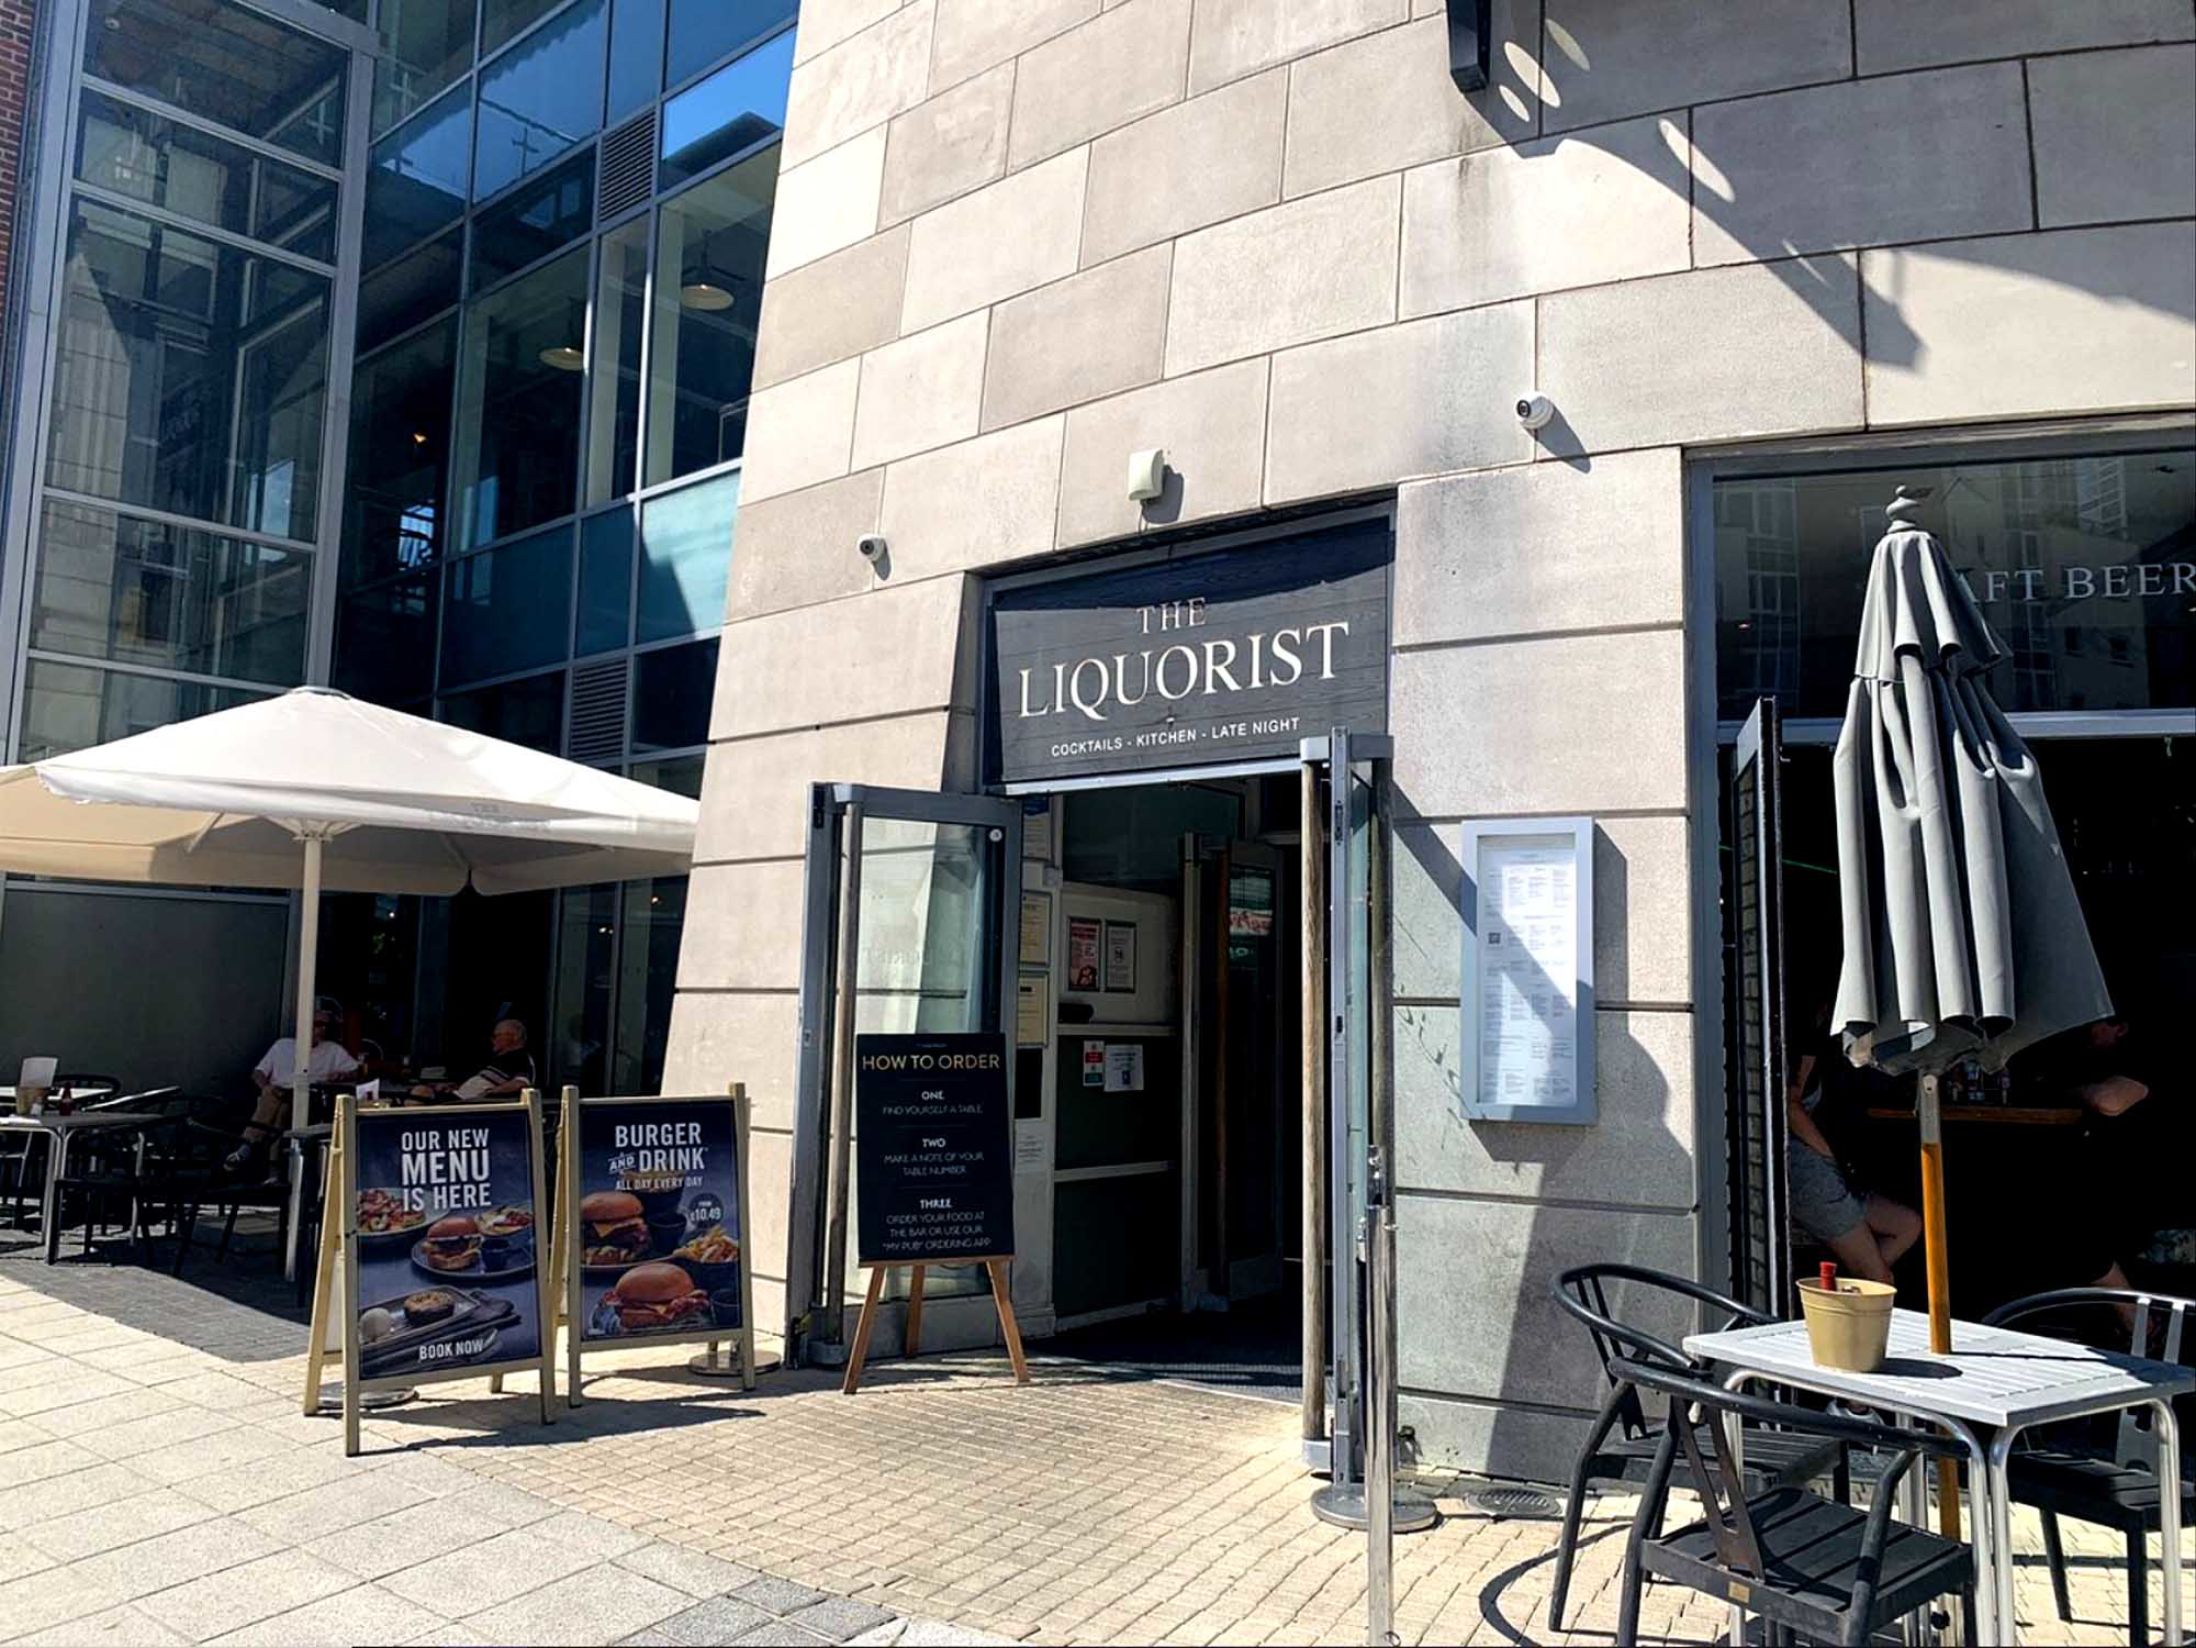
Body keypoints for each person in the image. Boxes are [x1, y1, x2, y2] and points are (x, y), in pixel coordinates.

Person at [1787, 1030, 1922, 1285]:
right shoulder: (1808, 1041)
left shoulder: (1829, 1049)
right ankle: (1861, 1281)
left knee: (1908, 1225)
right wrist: (1828, 1155)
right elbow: (1791, 1107)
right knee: (1881, 1278)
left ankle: (1852, 1286)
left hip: (1839, 1173)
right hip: (1813, 1174)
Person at [230, 1000, 361, 1171]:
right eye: (318, 1024)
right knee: (277, 1106)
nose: (322, 1029)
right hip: (277, 1092)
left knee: (279, 1105)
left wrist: (343, 1075)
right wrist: (265, 1086)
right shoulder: (282, 1045)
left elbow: (356, 1071)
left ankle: (247, 1146)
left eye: (326, 1026)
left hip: (307, 1096)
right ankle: (273, 1168)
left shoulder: (332, 1050)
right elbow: (258, 1072)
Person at [412, 1019, 537, 1102]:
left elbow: (521, 1083)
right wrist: (455, 1086)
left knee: (420, 1093)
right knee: (415, 1092)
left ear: (514, 1037)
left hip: (469, 1104)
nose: (493, 1040)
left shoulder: (520, 1058)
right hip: (459, 1097)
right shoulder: (498, 1060)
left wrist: (491, 1092)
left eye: (497, 1035)